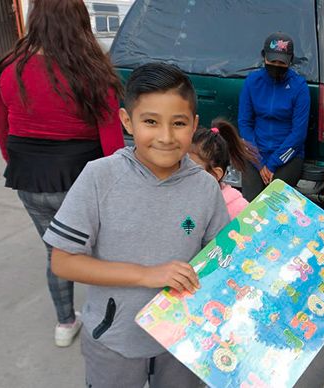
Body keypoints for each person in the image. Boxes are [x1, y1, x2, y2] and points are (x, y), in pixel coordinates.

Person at [44, 63, 229, 387]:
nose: (166, 137)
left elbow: (222, 258)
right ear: (127, 121)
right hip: (114, 339)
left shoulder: (205, 187)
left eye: (179, 123)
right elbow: (62, 261)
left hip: (183, 340)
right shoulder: (99, 177)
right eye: (150, 122)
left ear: (194, 124)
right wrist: (147, 275)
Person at [0, 0, 123, 347]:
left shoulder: (9, 68)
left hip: (29, 180)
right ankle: (111, 323)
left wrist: (19, 166)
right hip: (82, 182)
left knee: (57, 252)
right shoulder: (92, 71)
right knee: (104, 253)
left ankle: (65, 324)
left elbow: (2, 129)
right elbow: (112, 144)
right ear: (80, 21)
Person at [238, 32, 310, 201]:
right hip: (256, 152)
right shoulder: (252, 82)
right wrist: (259, 161)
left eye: (282, 62)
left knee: (273, 201)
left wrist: (272, 164)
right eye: (272, 61)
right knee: (251, 203)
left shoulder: (299, 86)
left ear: (290, 61)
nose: (276, 65)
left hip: (288, 155)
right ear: (264, 57)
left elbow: (298, 134)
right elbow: (245, 123)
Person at [189, 118, 258, 219]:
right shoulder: (180, 197)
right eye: (180, 165)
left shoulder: (237, 208)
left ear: (215, 174)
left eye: (191, 170)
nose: (182, 173)